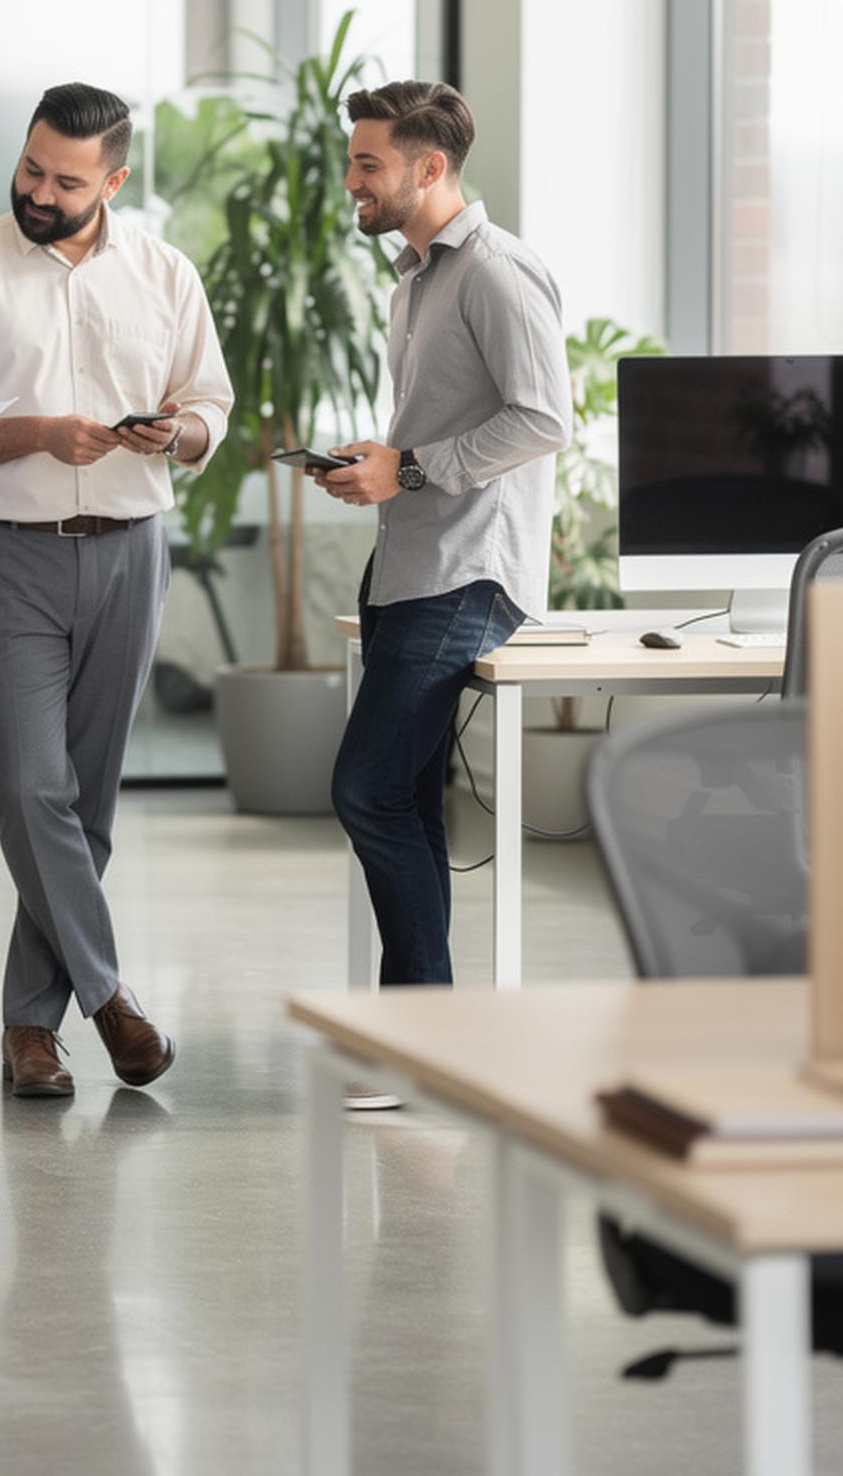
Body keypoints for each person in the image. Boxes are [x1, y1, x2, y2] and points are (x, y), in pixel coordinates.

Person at [0, 83, 233, 1100]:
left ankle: (26, 1030)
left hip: (131, 549)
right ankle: (109, 1000)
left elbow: (208, 406)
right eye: (30, 168)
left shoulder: (164, 272)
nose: (38, 190)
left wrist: (170, 431)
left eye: (66, 179)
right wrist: (42, 431)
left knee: (83, 804)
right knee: (27, 786)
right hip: (7, 557)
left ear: (114, 180)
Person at [312, 80, 567, 1101]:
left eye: (368, 163)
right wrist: (375, 464)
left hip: (468, 572)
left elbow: (541, 418)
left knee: (364, 786)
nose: (351, 181)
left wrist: (407, 467)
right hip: (411, 566)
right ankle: (424, 1040)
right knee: (404, 794)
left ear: (429, 168)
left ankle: (424, 1039)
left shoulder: (495, 273)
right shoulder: (411, 280)